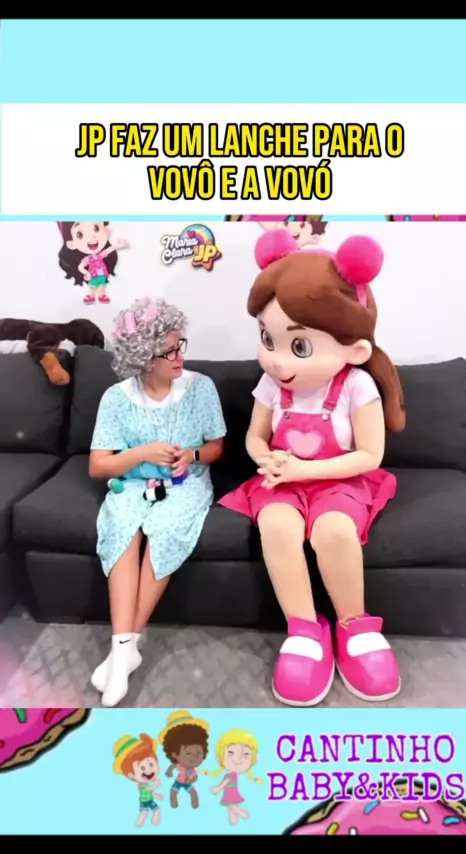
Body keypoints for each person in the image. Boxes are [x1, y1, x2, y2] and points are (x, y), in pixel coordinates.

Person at [219, 229, 406, 707]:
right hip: (282, 480)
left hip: (340, 480)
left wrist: (304, 472)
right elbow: (254, 437)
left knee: (334, 531)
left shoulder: (356, 386)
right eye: (268, 339)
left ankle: (354, 625)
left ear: (354, 349)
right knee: (277, 527)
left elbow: (370, 455)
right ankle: (304, 628)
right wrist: (265, 458)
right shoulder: (271, 386)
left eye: (298, 346)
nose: (276, 360)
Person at [89, 296, 226, 707]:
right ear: (144, 358)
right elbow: (99, 466)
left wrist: (192, 455)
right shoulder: (115, 398)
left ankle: (122, 651)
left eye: (179, 345)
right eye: (168, 351)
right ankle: (124, 648)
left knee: (165, 528)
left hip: (186, 483)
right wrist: (142, 453)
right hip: (132, 484)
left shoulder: (201, 388)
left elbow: (216, 447)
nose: (179, 355)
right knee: (121, 524)